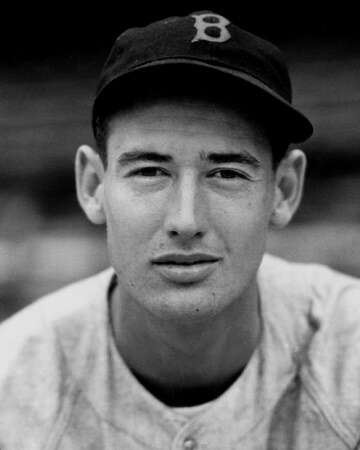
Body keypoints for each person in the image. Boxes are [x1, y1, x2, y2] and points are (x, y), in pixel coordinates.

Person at [0, 11, 359, 449]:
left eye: (226, 173)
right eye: (150, 171)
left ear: (283, 190)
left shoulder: (349, 356)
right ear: (93, 185)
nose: (186, 221)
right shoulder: (13, 383)